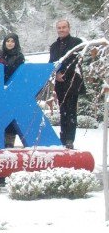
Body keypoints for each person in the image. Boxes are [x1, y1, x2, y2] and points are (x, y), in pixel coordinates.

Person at [49, 19, 85, 149]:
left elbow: (78, 62)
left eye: (64, 27)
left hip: (73, 82)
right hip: (60, 85)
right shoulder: (53, 46)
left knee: (71, 113)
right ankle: (62, 139)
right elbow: (51, 64)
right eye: (59, 27)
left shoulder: (77, 42)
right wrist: (56, 74)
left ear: (69, 28)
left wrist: (65, 73)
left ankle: (69, 140)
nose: (61, 30)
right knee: (63, 112)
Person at [2, 33, 25, 148]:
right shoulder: (0, 55)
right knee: (2, 113)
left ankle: (10, 139)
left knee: (11, 114)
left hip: (13, 88)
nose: (10, 43)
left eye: (12, 41)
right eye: (7, 41)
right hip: (0, 88)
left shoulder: (19, 57)